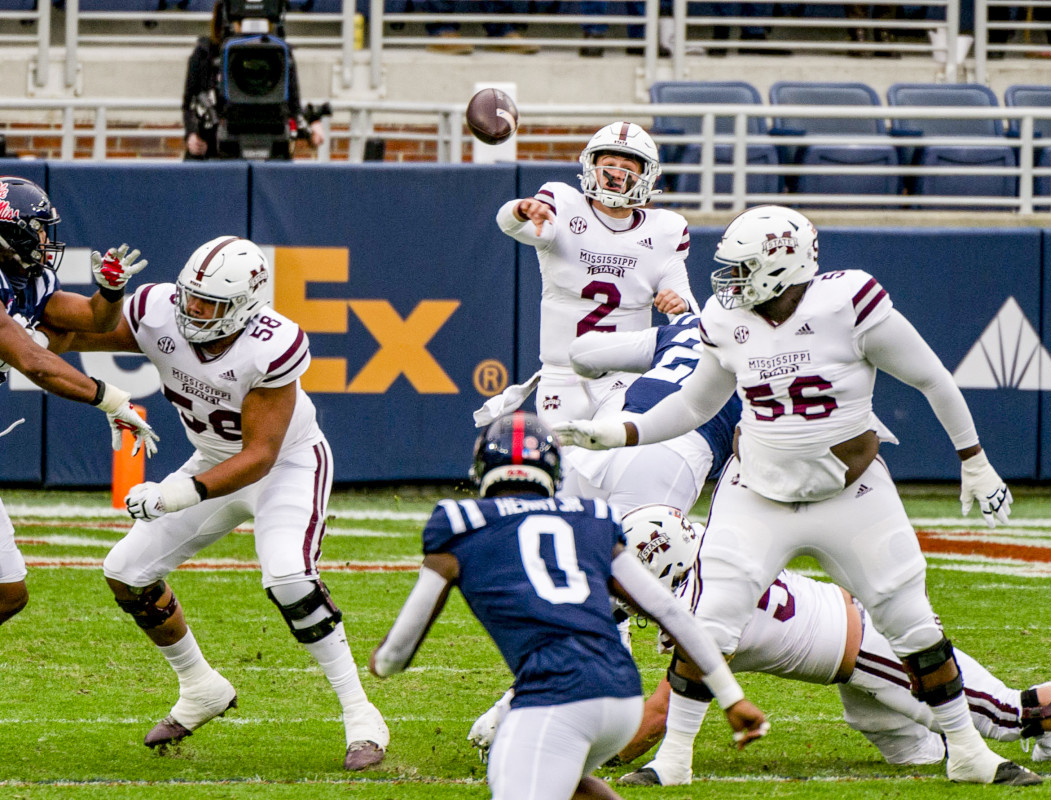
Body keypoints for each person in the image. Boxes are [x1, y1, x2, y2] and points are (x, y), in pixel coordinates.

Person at [554, 204, 1040, 785]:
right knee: (708, 621)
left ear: (781, 265)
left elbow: (932, 376)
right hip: (757, 491)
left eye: (742, 269)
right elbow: (692, 405)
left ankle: (967, 751)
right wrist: (621, 432)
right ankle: (674, 759)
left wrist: (975, 462)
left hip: (849, 493)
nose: (728, 283)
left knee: (912, 622)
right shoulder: (727, 320)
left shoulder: (848, 304)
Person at [67, 235, 388, 771]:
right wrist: (37, 331)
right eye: (190, 296)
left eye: (209, 304)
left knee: (288, 577)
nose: (192, 310)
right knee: (125, 569)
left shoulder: (272, 344)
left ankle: (361, 715)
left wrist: (173, 494)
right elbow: (85, 330)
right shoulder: (157, 310)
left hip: (287, 467)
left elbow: (260, 455)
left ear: (247, 305)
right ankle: (200, 687)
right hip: (212, 458)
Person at [613, 507, 1051, 784]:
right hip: (844, 657)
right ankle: (1048, 733)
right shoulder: (713, 567)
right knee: (914, 759)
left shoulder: (702, 606)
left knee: (1002, 716)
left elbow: (661, 714)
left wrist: (590, 763)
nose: (621, 590)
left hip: (873, 649)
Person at [369, 412, 768, 800]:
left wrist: (382, 662)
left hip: (556, 697)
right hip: (622, 700)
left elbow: (397, 654)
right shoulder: (591, 517)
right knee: (567, 782)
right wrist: (731, 697)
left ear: (481, 467)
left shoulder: (459, 521)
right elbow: (670, 612)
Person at [0, 176, 158, 627]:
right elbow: (34, 361)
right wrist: (109, 398)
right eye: (40, 229)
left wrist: (110, 292)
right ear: (11, 229)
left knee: (8, 593)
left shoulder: (27, 279)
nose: (47, 240)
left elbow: (93, 320)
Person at [496, 121, 698, 427]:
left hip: (622, 379)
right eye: (609, 164)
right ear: (592, 166)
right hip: (560, 375)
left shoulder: (664, 232)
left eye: (627, 166)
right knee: (564, 466)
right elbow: (511, 224)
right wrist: (521, 210)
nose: (616, 173)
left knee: (610, 458)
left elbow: (689, 318)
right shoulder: (562, 205)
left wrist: (679, 305)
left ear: (647, 176)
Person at [560, 312, 739, 517]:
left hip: (605, 439)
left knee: (557, 542)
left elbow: (582, 352)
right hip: (674, 454)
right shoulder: (767, 351)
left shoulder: (686, 326)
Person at [183, 0, 326, 160]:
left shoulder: (279, 53)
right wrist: (192, 135)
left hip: (273, 141)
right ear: (227, 19)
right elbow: (190, 103)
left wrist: (311, 125)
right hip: (218, 147)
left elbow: (293, 104)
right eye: (241, 21)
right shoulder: (205, 54)